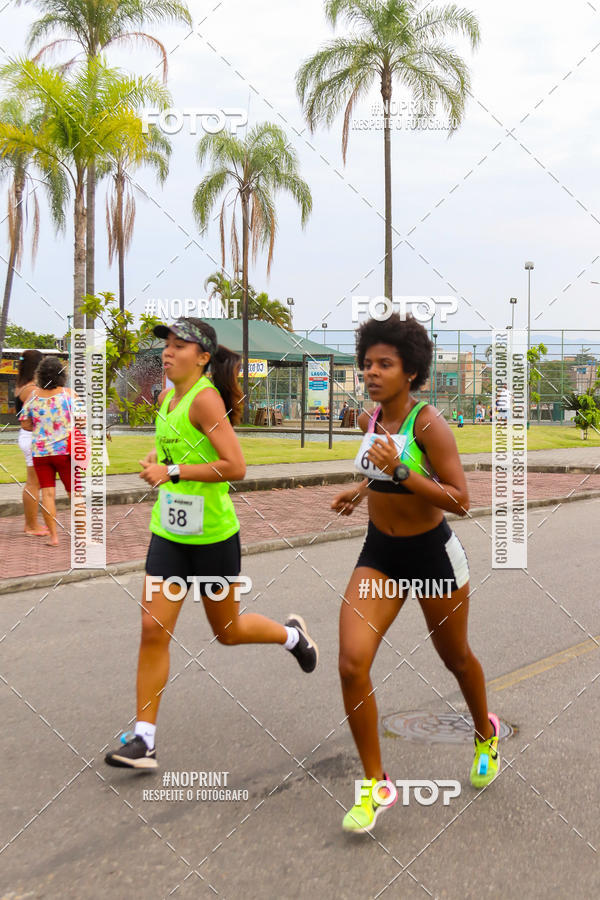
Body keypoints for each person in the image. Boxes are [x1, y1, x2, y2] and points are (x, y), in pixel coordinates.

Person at [105, 317, 318, 770]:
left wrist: (174, 473)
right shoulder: (167, 396)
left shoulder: (205, 400)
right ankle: (145, 740)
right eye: (166, 344)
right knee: (152, 630)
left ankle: (292, 636)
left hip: (213, 537)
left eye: (181, 346)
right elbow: (174, 455)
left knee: (228, 632)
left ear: (202, 358)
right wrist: (158, 462)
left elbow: (235, 465)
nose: (168, 352)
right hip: (169, 532)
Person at [331, 314, 499, 834]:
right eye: (367, 364)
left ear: (411, 371)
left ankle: (484, 732)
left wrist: (404, 470)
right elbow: (380, 472)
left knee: (455, 658)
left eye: (385, 364)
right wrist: (358, 491)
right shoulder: (371, 420)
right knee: (351, 663)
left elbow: (461, 501)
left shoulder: (428, 424)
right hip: (380, 554)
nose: (372, 372)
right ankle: (375, 784)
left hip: (432, 556)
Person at [18, 356, 72, 547]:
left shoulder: (33, 397)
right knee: (74, 493)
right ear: (62, 375)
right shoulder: (69, 395)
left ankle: (54, 538)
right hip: (65, 452)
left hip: (41, 453)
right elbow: (82, 420)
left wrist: (41, 427)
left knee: (48, 495)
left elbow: (25, 424)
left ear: (40, 375)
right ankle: (83, 536)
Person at [14, 349, 47, 536]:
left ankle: (32, 523)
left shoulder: (22, 385)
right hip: (32, 437)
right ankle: (31, 525)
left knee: (34, 483)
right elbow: (38, 416)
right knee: (33, 484)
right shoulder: (33, 390)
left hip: (27, 436)